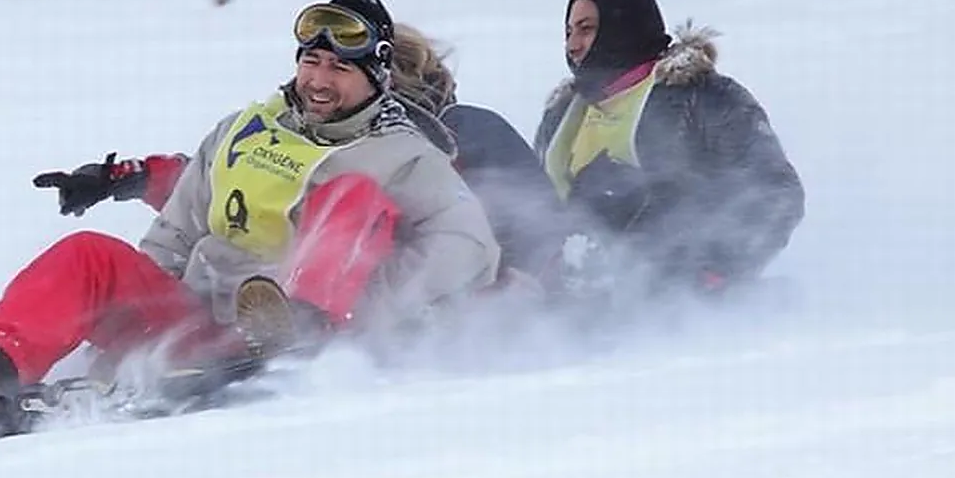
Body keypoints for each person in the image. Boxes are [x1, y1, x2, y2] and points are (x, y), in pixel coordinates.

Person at [0, 0, 504, 398]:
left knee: (350, 197)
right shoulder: (243, 130)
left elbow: (471, 245)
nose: (320, 79)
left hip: (312, 335)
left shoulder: (407, 154)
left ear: (376, 77)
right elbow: (176, 234)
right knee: (89, 253)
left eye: (340, 67)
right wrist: (127, 320)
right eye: (311, 62)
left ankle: (292, 329)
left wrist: (376, 303)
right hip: (203, 329)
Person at [37, 24, 567, 287]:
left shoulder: (465, 133)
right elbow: (255, 184)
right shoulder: (338, 142)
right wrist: (127, 178)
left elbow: (532, 227)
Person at [532, 0, 805, 299]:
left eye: (586, 29)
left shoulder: (700, 98)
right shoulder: (562, 115)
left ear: (622, 28)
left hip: (674, 299)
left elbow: (775, 192)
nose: (573, 45)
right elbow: (531, 208)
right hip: (571, 304)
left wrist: (713, 270)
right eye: (569, 32)